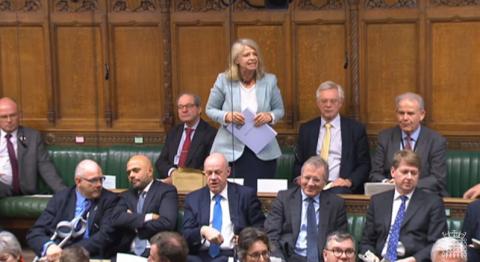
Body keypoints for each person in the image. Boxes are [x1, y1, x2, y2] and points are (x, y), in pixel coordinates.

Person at [205, 38, 285, 190]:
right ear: (236, 60)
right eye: (247, 55)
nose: (252, 58)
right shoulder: (224, 80)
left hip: (262, 150)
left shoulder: (269, 80)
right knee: (233, 196)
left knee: (258, 196)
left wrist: (270, 116)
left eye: (254, 54)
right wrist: (227, 116)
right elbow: (210, 109)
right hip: (230, 150)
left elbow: (279, 110)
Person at [360, 150, 447, 262]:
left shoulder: (433, 203)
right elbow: (366, 242)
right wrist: (372, 259)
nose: (409, 177)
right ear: (393, 172)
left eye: (413, 173)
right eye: (405, 172)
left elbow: (438, 244)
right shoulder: (377, 201)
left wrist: (414, 259)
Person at [26, 159, 119, 260]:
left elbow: (105, 237)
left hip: (90, 256)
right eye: (93, 180)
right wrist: (49, 247)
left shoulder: (110, 200)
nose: (99, 184)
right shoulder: (61, 198)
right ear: (78, 181)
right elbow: (36, 232)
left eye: (101, 179)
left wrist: (65, 254)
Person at [182, 153, 266, 262]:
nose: (213, 178)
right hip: (200, 256)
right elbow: (185, 235)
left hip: (232, 255)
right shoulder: (193, 198)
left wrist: (246, 238)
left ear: (228, 172)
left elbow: (260, 227)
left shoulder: (245, 195)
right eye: (209, 173)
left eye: (217, 172)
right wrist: (202, 231)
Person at [265, 156, 348, 262]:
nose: (310, 184)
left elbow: (341, 239)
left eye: (316, 180)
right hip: (288, 258)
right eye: (307, 178)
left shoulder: (336, 204)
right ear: (300, 178)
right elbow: (271, 235)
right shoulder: (284, 198)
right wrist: (278, 259)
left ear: (325, 183)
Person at [293, 81, 370, 194]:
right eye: (324, 101)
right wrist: (299, 178)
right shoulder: (307, 129)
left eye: (333, 101)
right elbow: (299, 162)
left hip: (339, 185)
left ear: (340, 103)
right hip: (310, 183)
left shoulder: (355, 129)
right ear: (318, 103)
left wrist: (349, 181)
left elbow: (364, 164)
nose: (328, 105)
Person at [369, 92, 448, 196]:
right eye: (401, 113)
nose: (405, 118)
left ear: (422, 115)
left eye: (410, 113)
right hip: (391, 194)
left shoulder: (435, 140)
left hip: (424, 195)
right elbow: (375, 174)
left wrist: (406, 185)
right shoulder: (385, 138)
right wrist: (388, 183)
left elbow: (438, 178)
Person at [113, 155, 178, 257]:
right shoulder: (126, 195)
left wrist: (132, 222)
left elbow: (167, 223)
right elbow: (116, 218)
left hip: (154, 252)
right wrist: (148, 217)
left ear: (150, 171)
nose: (131, 175)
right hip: (127, 251)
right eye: (128, 172)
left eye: (136, 170)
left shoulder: (166, 191)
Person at [0, 97, 66, 197]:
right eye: (4, 117)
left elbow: (45, 166)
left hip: (24, 189)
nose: (9, 120)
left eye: (13, 115)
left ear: (19, 115)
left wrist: (64, 192)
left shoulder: (32, 136)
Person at [155, 93, 216, 184]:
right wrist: (172, 173)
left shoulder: (210, 133)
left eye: (189, 106)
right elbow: (161, 162)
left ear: (199, 109)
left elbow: (209, 166)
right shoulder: (173, 132)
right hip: (170, 181)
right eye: (180, 107)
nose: (184, 110)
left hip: (195, 184)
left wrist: (181, 179)